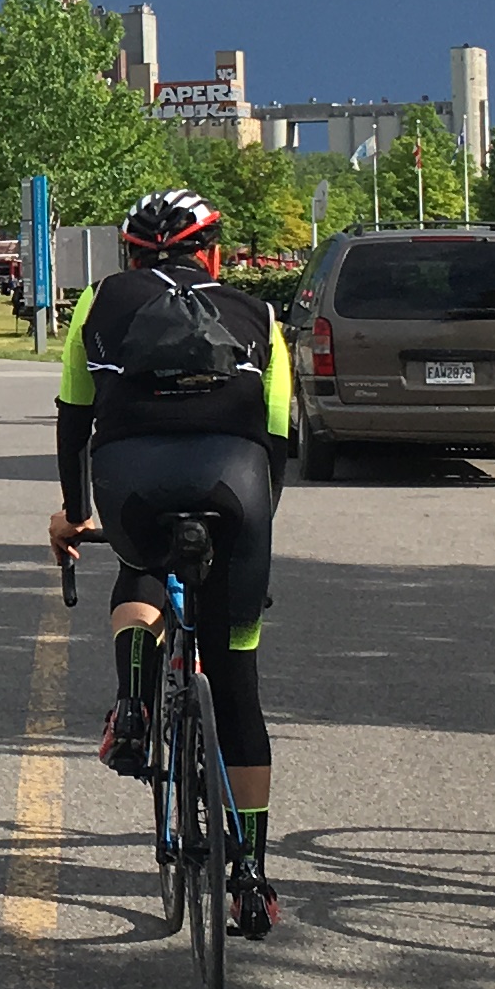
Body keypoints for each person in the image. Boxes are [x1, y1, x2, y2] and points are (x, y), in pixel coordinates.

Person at [43, 189, 298, 937]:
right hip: (239, 484)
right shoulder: (260, 315)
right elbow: (278, 434)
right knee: (238, 683)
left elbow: (73, 416)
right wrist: (254, 532)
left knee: (140, 569)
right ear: (212, 253)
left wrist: (74, 511)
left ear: (129, 254)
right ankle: (250, 873)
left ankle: (132, 701)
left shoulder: (99, 302)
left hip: (133, 481)